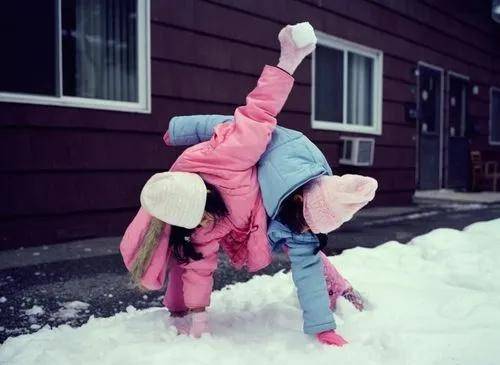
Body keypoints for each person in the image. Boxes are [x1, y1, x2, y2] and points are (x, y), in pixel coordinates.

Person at [119, 24, 315, 338]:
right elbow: (199, 265)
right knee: (184, 257)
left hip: (279, 192)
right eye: (196, 221)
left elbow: (260, 110)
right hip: (246, 224)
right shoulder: (195, 224)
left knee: (306, 244)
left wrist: (288, 60)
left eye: (202, 213)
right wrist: (198, 319)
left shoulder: (231, 155)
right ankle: (176, 305)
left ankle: (336, 287)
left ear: (205, 194)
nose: (204, 222)